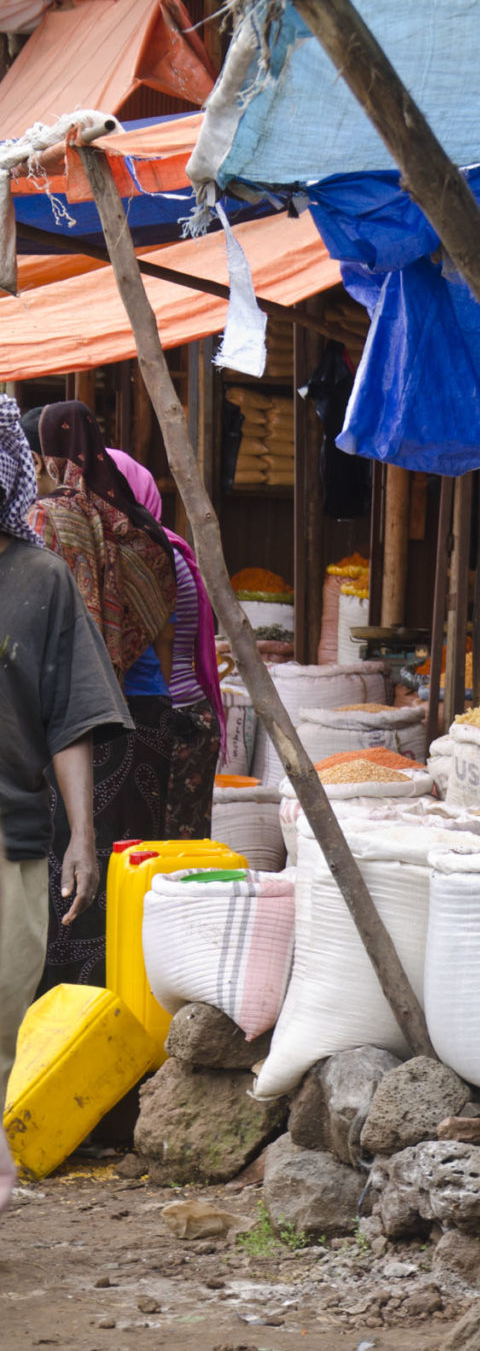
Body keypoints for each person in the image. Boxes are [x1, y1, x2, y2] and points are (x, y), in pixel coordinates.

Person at [26, 400, 178, 990]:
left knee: (65, 876)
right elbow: (162, 636)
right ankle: (126, 999)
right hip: (143, 716)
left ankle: (63, 1010)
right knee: (125, 872)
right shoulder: (141, 530)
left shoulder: (50, 523)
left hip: (77, 725)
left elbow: (62, 647)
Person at [0, 397, 129, 1087]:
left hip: (10, 836)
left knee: (2, 1011)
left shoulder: (41, 579)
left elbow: (71, 717)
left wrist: (83, 836)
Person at [109, 448, 223, 840]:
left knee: (167, 848)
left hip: (173, 717)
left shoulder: (154, 554)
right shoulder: (169, 547)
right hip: (184, 714)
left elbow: (166, 643)